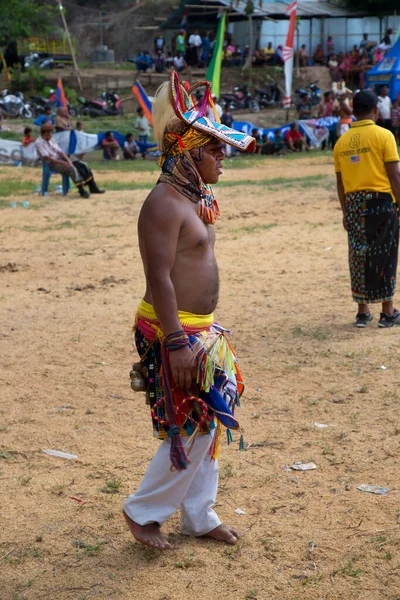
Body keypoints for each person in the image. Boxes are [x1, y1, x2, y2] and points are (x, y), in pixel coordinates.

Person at [122, 72, 255, 550]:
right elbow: (159, 277)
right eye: (215, 150)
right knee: (194, 422)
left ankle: (199, 515)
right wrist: (176, 341)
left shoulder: (194, 198)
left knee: (208, 423)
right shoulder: (162, 204)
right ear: (188, 153)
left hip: (200, 329)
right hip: (171, 330)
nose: (223, 158)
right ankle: (143, 511)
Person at [334, 90, 400, 328]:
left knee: (358, 256)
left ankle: (362, 312)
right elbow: (395, 174)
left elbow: (340, 183)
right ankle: (388, 312)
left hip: (353, 204)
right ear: (375, 110)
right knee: (385, 255)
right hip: (380, 203)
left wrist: (345, 212)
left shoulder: (341, 142)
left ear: (354, 110)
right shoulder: (384, 136)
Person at [35, 124, 105, 198]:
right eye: (50, 133)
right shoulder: (39, 143)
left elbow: (60, 151)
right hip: (52, 164)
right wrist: (63, 163)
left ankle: (93, 187)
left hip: (60, 159)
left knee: (83, 165)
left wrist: (68, 160)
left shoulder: (51, 139)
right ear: (46, 133)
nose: (52, 134)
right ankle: (81, 190)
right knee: (71, 169)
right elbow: (47, 157)